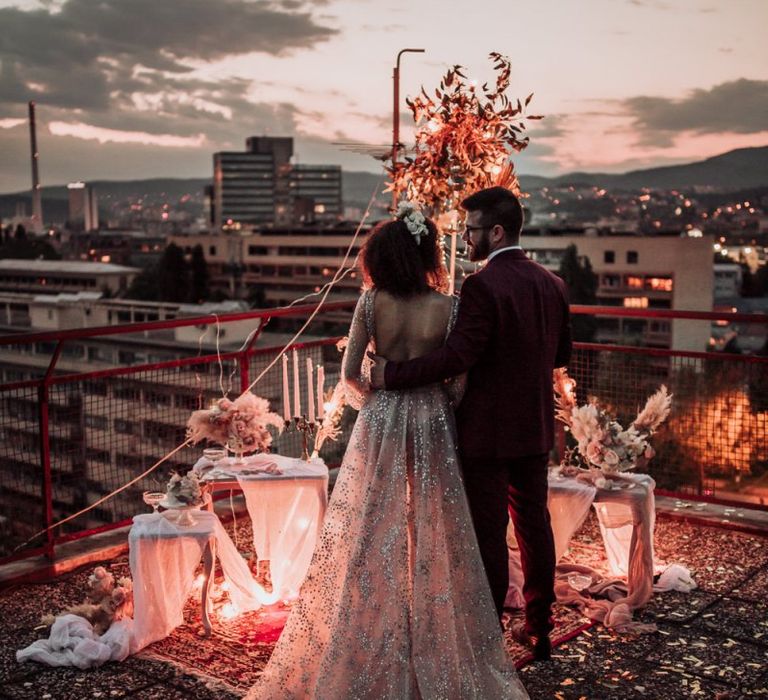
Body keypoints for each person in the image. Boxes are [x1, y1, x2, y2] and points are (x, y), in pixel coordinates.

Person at [246, 204, 527, 699]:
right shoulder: (450, 305)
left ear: (382, 257)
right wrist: (437, 405)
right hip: (433, 419)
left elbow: (350, 372)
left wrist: (374, 399)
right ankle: (431, 619)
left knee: (372, 520)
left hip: (381, 419)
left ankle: (372, 619)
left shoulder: (372, 303)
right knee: (436, 521)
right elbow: (457, 381)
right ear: (425, 254)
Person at [370, 187, 572, 661]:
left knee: (488, 535)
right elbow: (561, 355)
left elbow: (458, 356)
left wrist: (390, 375)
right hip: (535, 429)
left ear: (497, 231)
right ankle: (540, 628)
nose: (466, 238)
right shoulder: (553, 283)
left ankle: (487, 641)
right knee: (534, 526)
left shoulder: (482, 286)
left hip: (488, 434)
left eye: (473, 229)